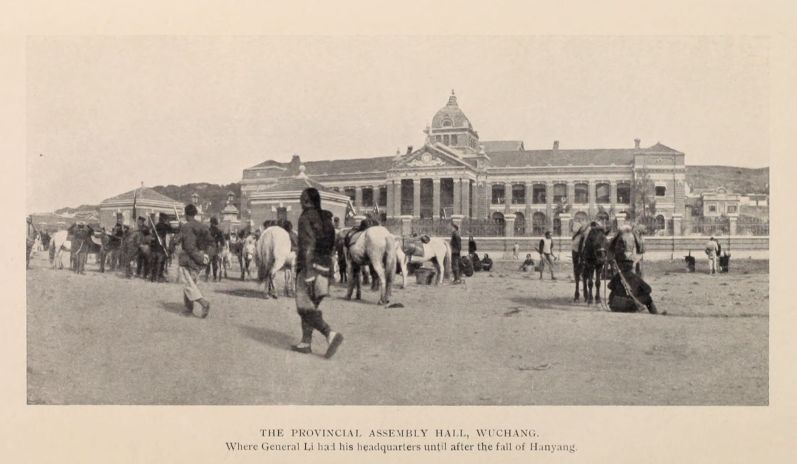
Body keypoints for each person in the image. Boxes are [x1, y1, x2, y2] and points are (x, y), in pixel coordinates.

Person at [291, 188, 343, 358]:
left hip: (310, 267)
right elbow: (332, 245)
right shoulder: (327, 219)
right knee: (311, 306)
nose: (300, 201)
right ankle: (305, 342)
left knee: (303, 307)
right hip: (325, 267)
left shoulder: (305, 218)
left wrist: (308, 272)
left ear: (306, 200)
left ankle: (330, 334)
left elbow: (307, 245)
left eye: (302, 198)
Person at [177, 204, 211, 318]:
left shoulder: (186, 227)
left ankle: (203, 303)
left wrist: (178, 234)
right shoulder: (202, 226)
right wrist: (203, 257)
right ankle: (188, 308)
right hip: (200, 258)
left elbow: (187, 246)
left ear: (186, 214)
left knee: (188, 284)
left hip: (189, 258)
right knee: (191, 283)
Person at [205, 217, 225, 282]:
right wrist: (221, 246)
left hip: (209, 248)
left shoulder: (208, 230)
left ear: (211, 223)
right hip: (215, 248)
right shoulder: (219, 231)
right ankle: (214, 277)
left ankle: (207, 277)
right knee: (214, 263)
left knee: (208, 263)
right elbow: (223, 242)